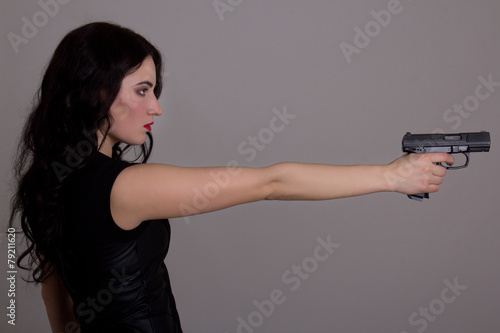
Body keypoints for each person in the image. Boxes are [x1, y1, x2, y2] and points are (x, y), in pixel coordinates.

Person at [9, 21, 454, 333]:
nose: (156, 107)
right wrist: (392, 176)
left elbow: (56, 298)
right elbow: (271, 183)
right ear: (96, 90)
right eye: (142, 90)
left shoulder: (47, 185)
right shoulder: (125, 188)